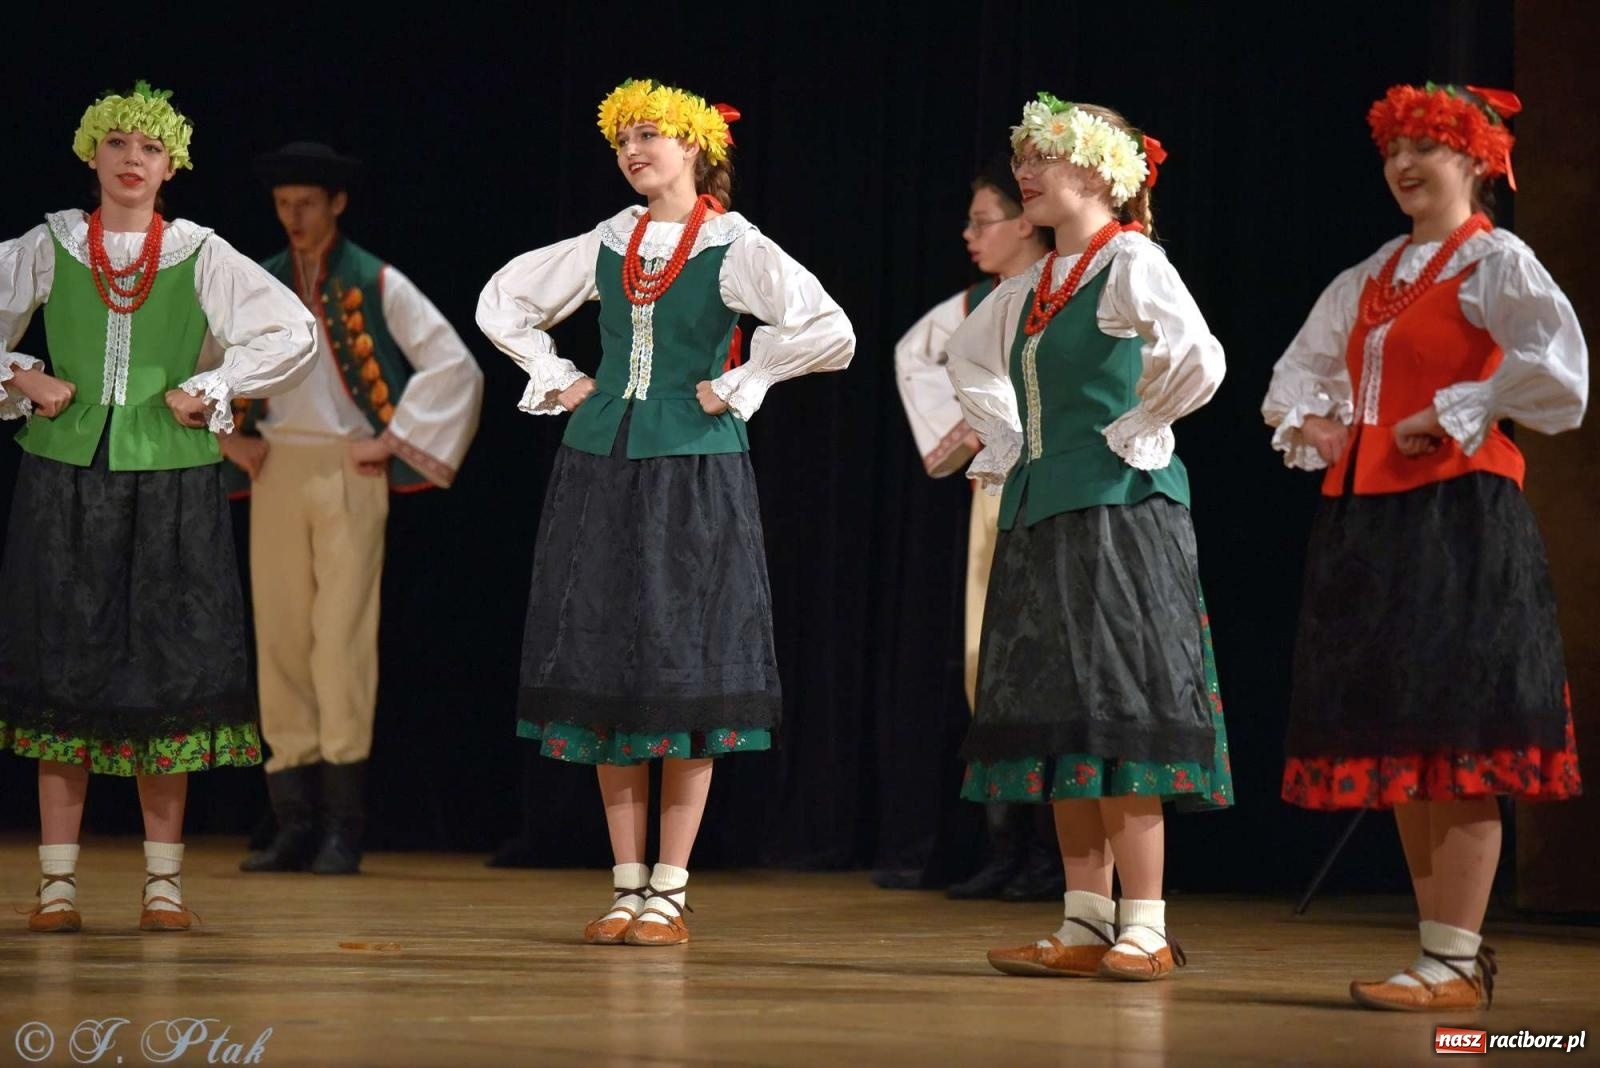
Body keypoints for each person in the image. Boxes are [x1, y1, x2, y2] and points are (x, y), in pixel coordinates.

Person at [476, 78, 854, 945]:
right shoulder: (611, 240)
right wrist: (558, 378)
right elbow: (504, 300)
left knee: (685, 664)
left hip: (693, 472)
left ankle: (671, 888)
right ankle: (624, 883)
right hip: (601, 462)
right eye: (624, 139)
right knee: (610, 663)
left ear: (696, 148)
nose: (635, 150)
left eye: (653, 135)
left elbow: (829, 330)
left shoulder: (733, 243)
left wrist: (739, 379)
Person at [1263, 83, 1587, 1012]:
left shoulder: (1496, 262)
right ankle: (1439, 958)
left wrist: (1460, 407)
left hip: (1459, 522)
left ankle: (1453, 960)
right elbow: (1297, 378)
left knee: (1459, 735)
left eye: (1426, 149)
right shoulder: (1373, 272)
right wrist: (1319, 427)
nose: (1404, 165)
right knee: (1401, 741)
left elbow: (1561, 378)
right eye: (1393, 149)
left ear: (1475, 161)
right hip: (1372, 526)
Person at [0, 82, 315, 931]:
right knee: (63, 672)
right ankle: (57, 884)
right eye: (118, 146)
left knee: (162, 673)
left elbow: (290, 331)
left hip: (172, 477)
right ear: (91, 156)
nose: (132, 160)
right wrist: (21, 374)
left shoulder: (200, 253)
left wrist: (212, 385)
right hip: (67, 474)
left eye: (149, 149)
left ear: (170, 165)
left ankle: (163, 884)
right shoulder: (52, 244)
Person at [947, 92, 1231, 981]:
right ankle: (1084, 919)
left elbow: (1200, 356)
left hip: (1119, 508)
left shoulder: (1129, 261)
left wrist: (1143, 423)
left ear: (1099, 172)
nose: (1024, 171)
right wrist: (1010, 437)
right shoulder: (1033, 285)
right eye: (1021, 157)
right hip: (1043, 504)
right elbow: (965, 357)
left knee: (1122, 706)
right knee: (1056, 713)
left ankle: (1143, 922)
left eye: (1042, 157)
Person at [224, 142, 484, 876]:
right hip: (277, 466)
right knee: (278, 638)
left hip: (345, 467)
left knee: (339, 642)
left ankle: (342, 823)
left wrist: (394, 440)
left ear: (337, 203)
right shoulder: (263, 284)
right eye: (283, 205)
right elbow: (208, 362)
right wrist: (230, 442)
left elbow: (452, 365)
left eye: (307, 203)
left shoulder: (375, 280)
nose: (294, 217)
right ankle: (293, 819)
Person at [887, 157, 1058, 901]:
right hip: (1001, 489)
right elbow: (912, 355)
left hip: (1071, 484)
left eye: (981, 220)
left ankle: (1059, 855)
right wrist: (971, 435)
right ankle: (1007, 844)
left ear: (1026, 220)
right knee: (987, 657)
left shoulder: (1071, 287)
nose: (968, 234)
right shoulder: (975, 307)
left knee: (1060, 659)